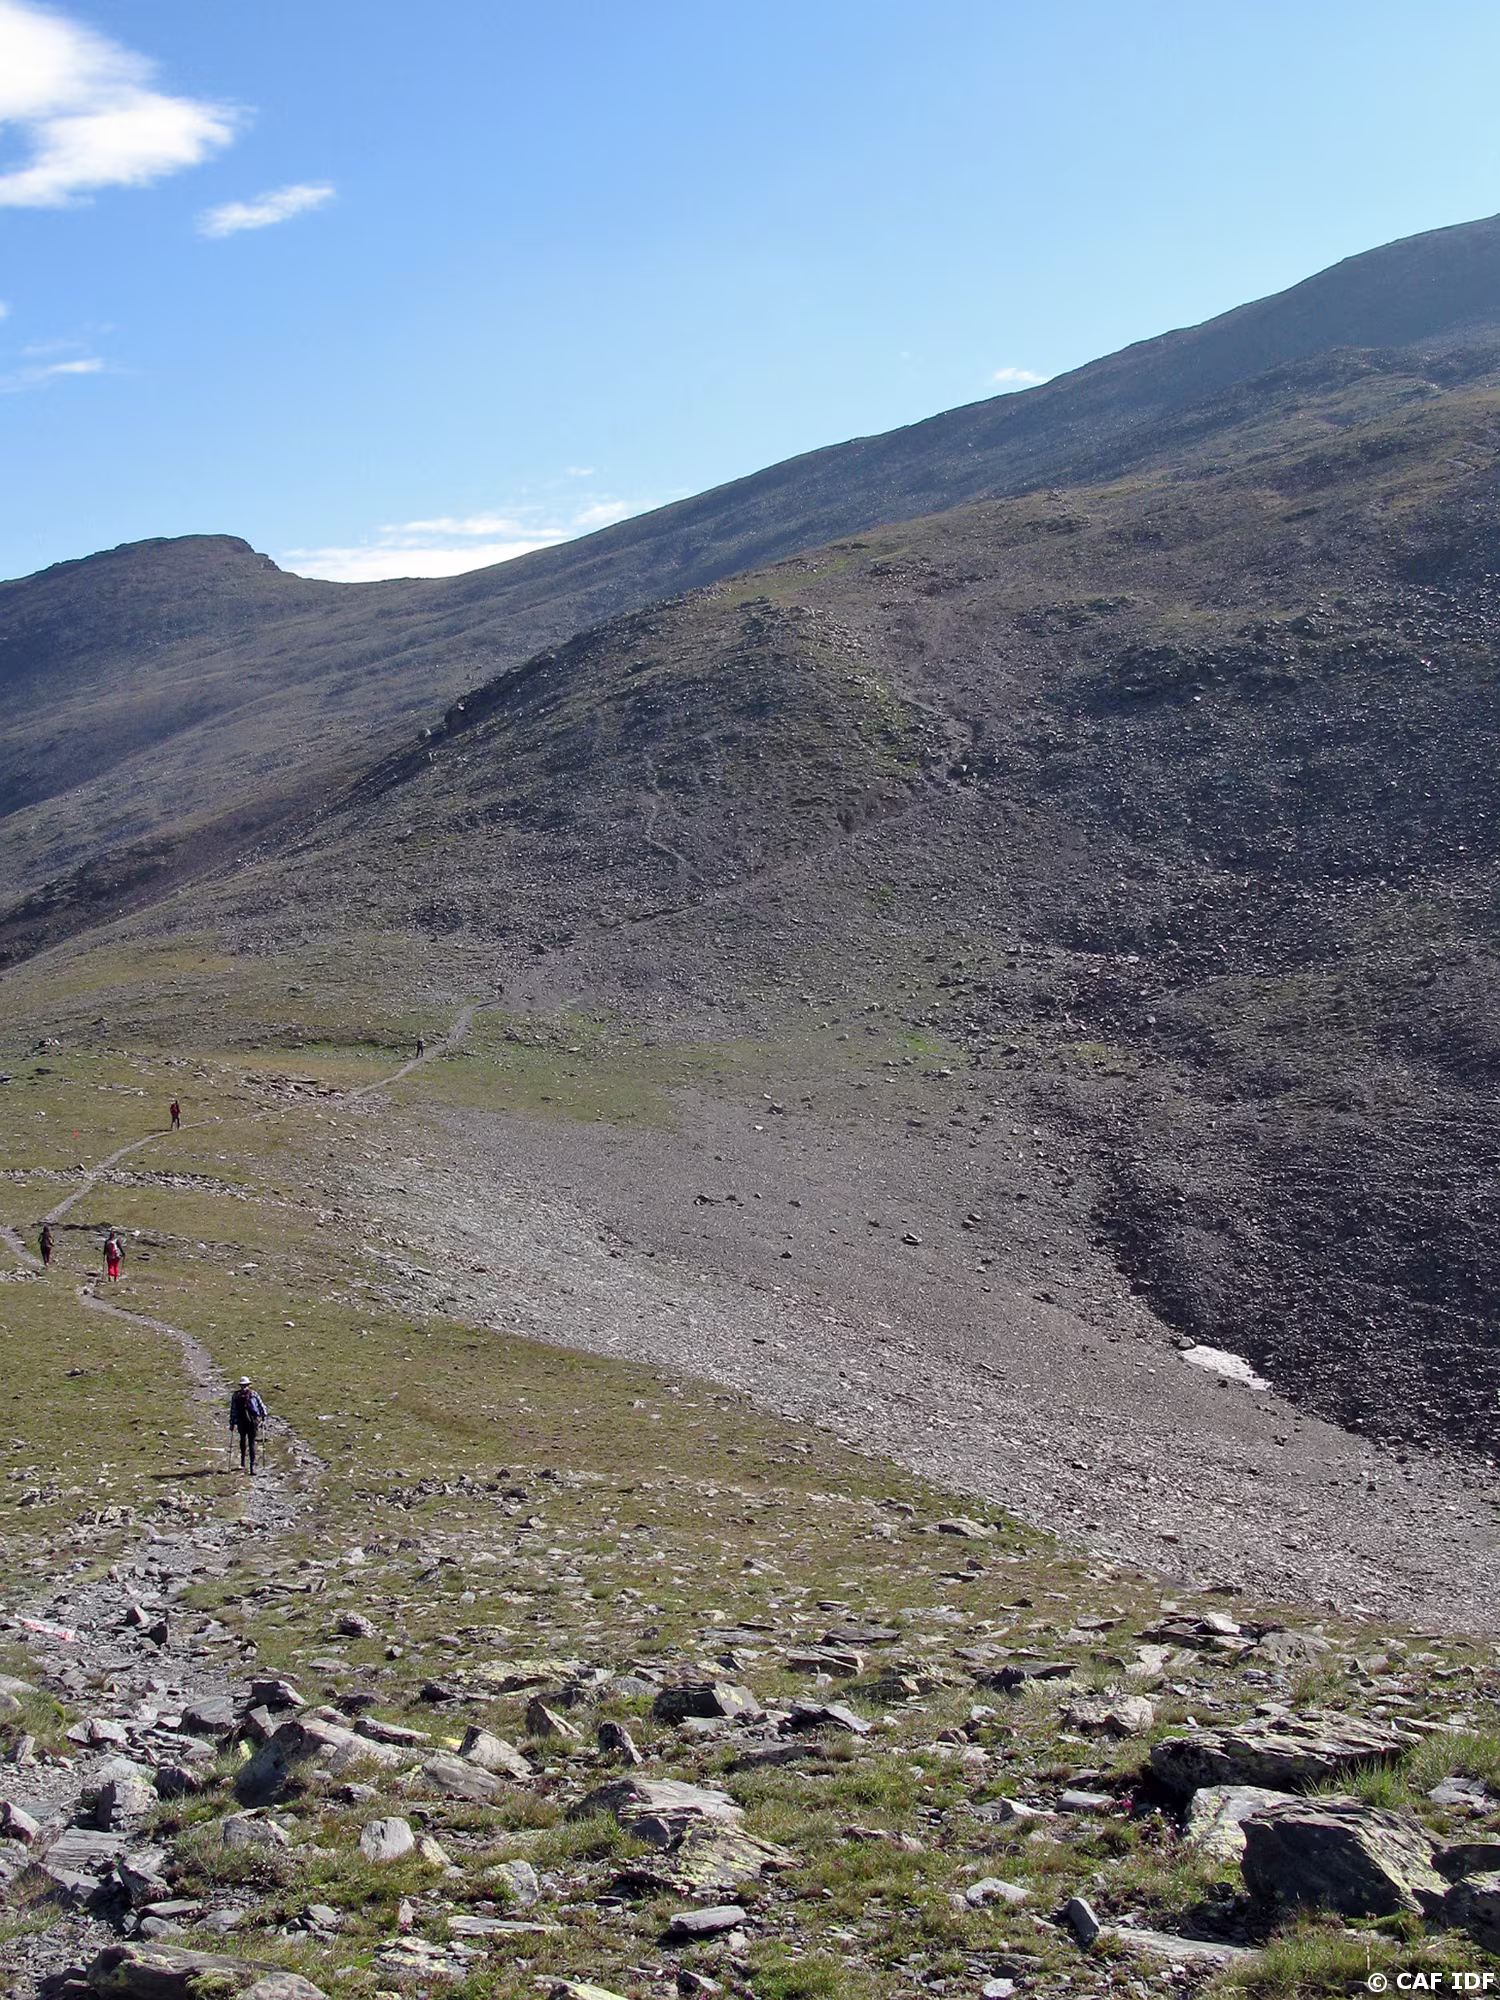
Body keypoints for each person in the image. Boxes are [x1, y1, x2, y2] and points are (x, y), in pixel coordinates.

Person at [229, 1376, 267, 1474]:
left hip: (241, 1421)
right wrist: (263, 1417)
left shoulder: (235, 1395)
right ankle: (252, 1466)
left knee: (243, 1439)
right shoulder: (254, 1394)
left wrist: (232, 1423)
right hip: (253, 1421)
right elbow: (261, 1406)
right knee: (252, 1442)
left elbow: (233, 1410)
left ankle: (242, 1461)